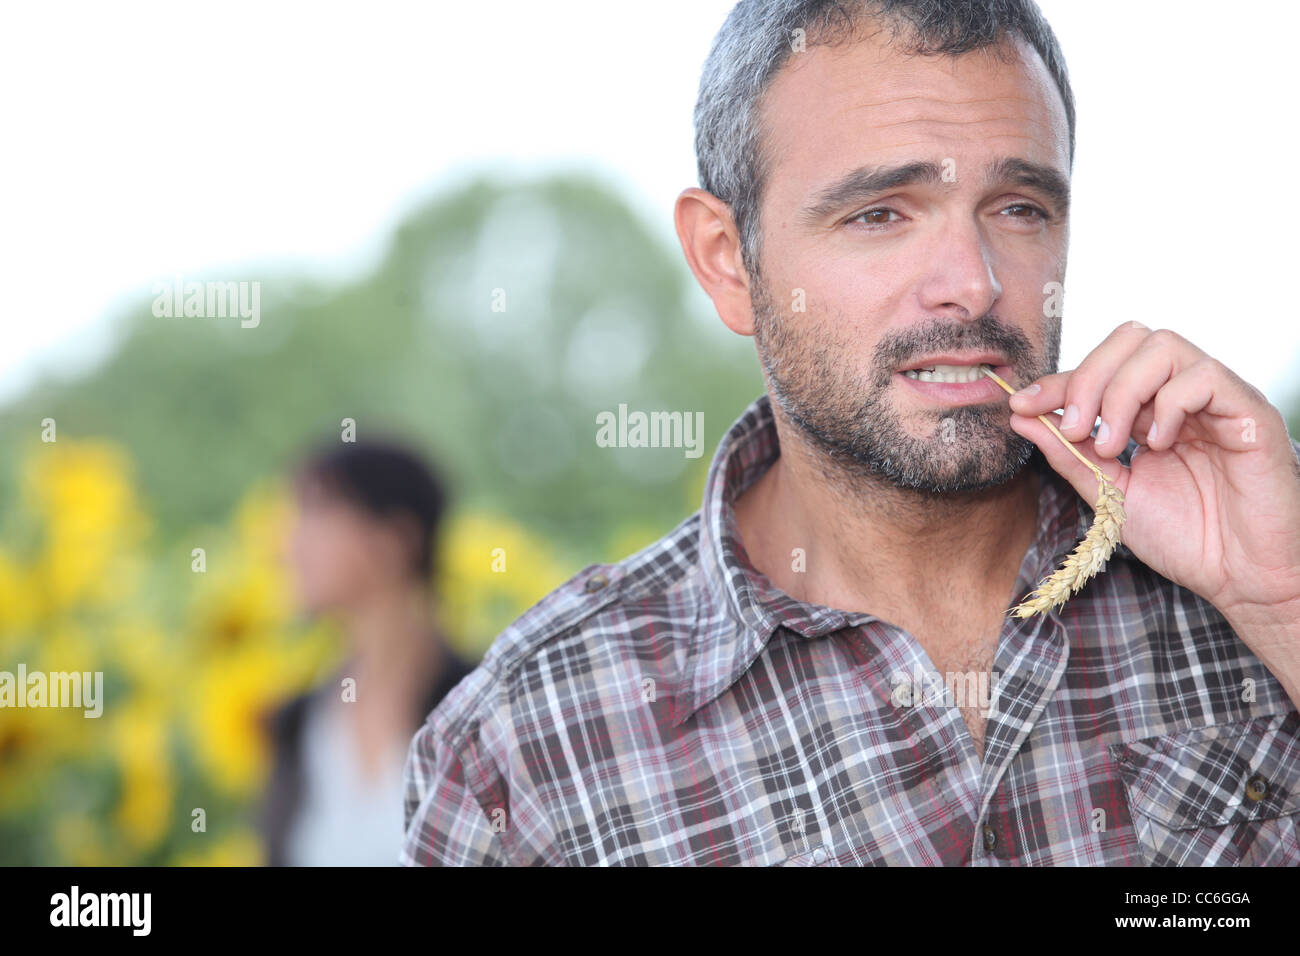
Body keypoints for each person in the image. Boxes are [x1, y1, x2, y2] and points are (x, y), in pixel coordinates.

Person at [402, 0, 1300, 866]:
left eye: (1019, 207)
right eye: (880, 213)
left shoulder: (1251, 556)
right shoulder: (526, 748)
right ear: (728, 261)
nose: (974, 283)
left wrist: (1282, 598)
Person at [261, 438, 475, 866]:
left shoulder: (483, 712)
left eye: (316, 513)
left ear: (394, 539)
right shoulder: (296, 723)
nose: (286, 548)